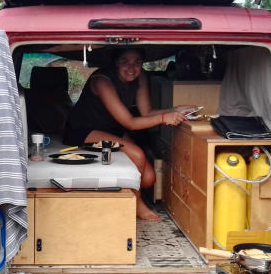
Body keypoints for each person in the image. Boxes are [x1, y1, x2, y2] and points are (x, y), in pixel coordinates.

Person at [63, 48, 194, 221]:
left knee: (148, 179)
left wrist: (173, 110)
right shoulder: (102, 81)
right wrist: (164, 118)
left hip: (112, 129)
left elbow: (146, 112)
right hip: (84, 130)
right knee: (137, 155)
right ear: (115, 62)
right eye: (125, 62)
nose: (131, 68)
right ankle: (137, 204)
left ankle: (120, 192)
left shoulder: (141, 77)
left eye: (137, 62)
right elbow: (130, 123)